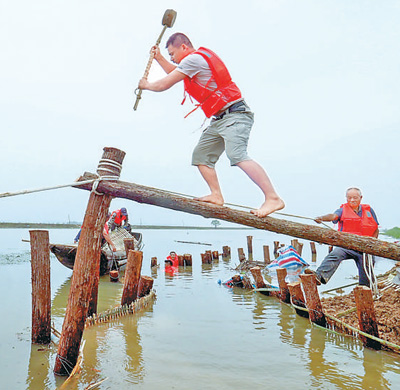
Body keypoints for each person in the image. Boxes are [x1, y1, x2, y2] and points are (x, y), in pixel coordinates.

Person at [138, 32, 284, 218]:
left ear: (184, 47)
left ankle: (272, 198)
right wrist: (158, 58)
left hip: (235, 115)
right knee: (201, 156)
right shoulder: (190, 63)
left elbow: (164, 84)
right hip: (220, 119)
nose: (172, 59)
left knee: (237, 154)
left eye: (172, 54)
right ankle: (216, 195)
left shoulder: (194, 60)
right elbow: (174, 72)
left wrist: (146, 85)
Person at [305, 187, 379, 286]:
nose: (352, 200)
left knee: (366, 273)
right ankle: (319, 276)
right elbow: (333, 216)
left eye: (355, 197)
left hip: (364, 249)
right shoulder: (342, 210)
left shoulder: (369, 210)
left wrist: (372, 244)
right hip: (346, 246)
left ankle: (365, 290)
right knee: (335, 254)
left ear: (361, 198)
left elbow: (375, 228)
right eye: (349, 198)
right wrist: (321, 218)